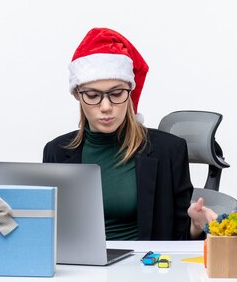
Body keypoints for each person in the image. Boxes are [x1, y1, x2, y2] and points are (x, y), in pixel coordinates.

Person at [42, 27, 217, 240]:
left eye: (116, 94)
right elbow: (50, 235)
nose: (106, 106)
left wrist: (195, 225)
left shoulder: (168, 151)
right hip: (80, 270)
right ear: (77, 95)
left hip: (144, 268)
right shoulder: (56, 153)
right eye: (92, 95)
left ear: (129, 93)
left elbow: (179, 242)